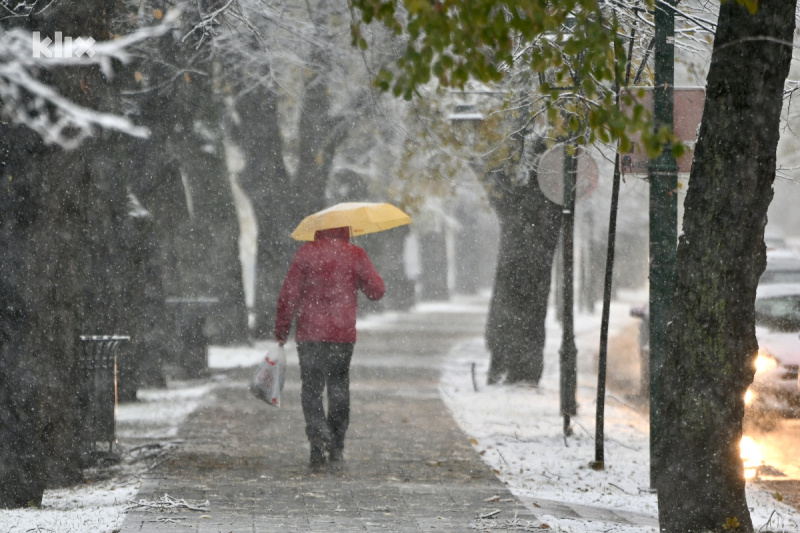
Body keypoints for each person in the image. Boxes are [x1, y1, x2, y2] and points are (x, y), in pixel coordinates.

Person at [274, 226, 385, 467]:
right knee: (338, 387)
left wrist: (281, 330)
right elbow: (377, 291)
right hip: (341, 335)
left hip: (309, 335)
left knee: (311, 388)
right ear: (345, 230)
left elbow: (289, 294)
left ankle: (317, 436)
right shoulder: (355, 254)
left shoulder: (306, 253)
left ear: (318, 230)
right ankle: (336, 444)